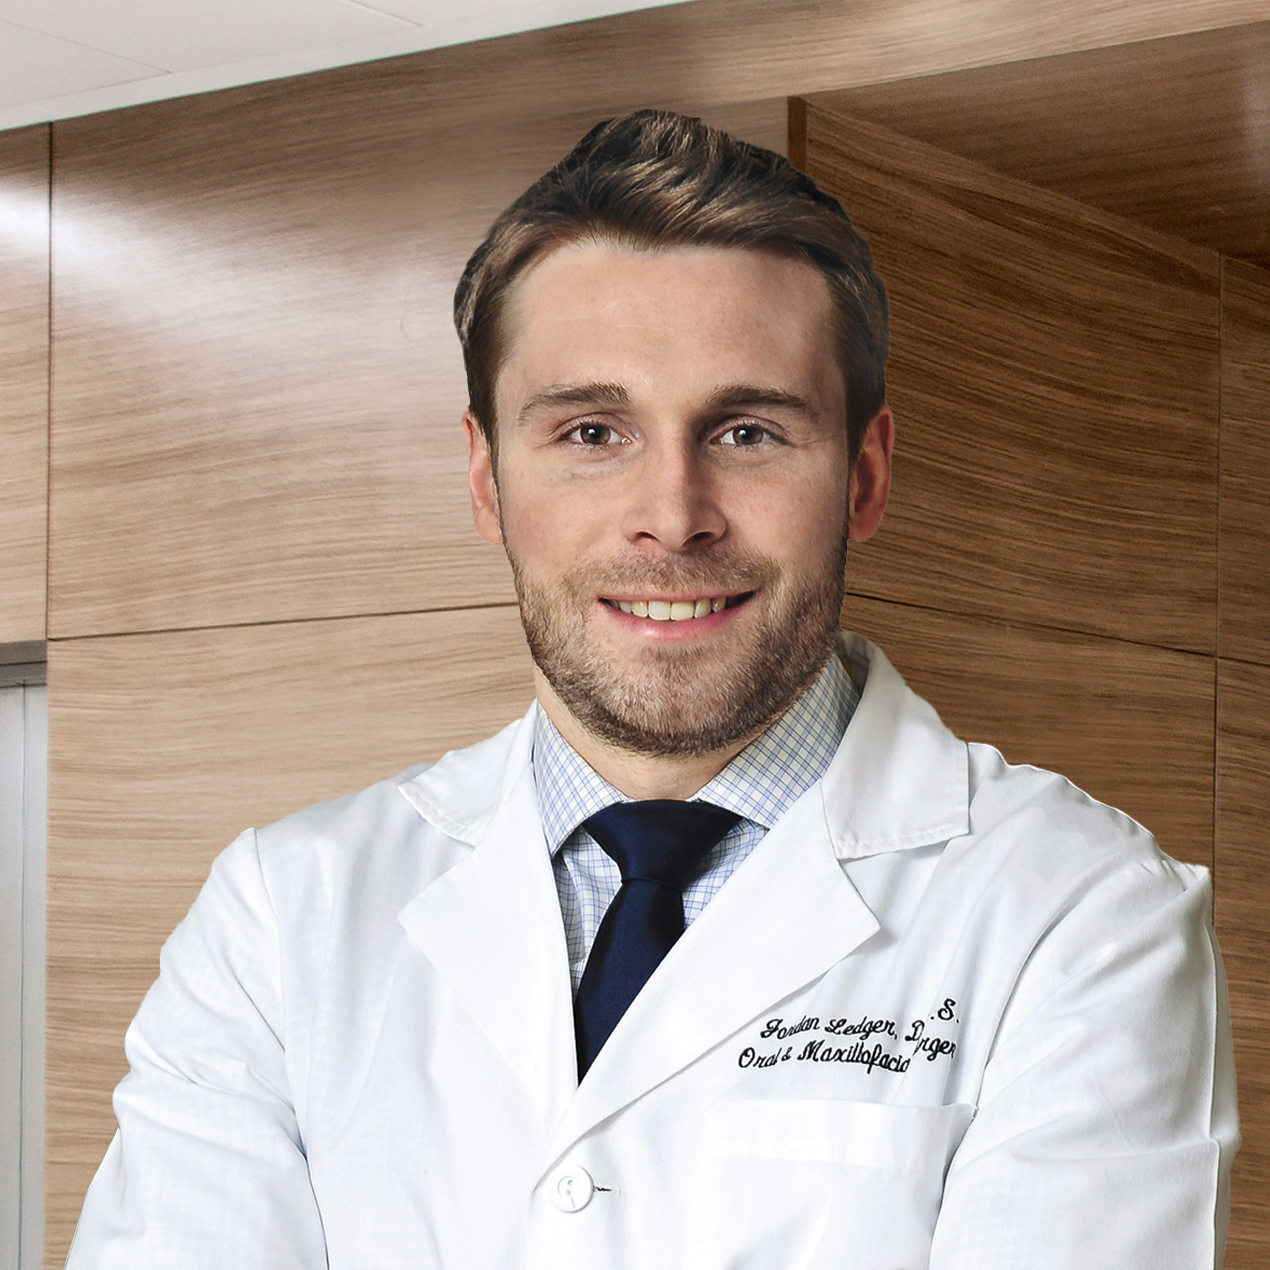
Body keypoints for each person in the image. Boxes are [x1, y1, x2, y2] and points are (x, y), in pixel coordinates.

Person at [67, 110, 1237, 1269]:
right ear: (486, 479)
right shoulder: (283, 915)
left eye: (746, 432)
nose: (672, 518)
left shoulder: (1079, 916)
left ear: (864, 477)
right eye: (591, 432)